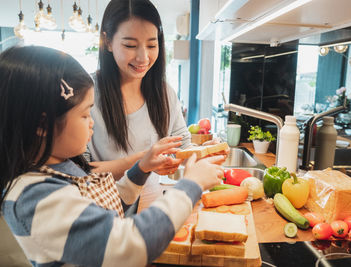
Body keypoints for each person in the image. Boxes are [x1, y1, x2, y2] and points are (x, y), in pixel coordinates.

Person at [0, 45, 224, 266]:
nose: (92, 123)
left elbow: (106, 207)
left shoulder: (62, 167)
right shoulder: (35, 198)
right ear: (42, 124)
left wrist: (141, 169)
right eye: (85, 115)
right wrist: (191, 185)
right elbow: (129, 246)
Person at [88, 0, 227, 179]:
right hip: (106, 205)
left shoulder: (164, 93)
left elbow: (183, 148)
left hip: (152, 202)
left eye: (152, 45)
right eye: (130, 45)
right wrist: (142, 163)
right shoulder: (86, 93)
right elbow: (76, 172)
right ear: (107, 41)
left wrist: (204, 153)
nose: (143, 58)